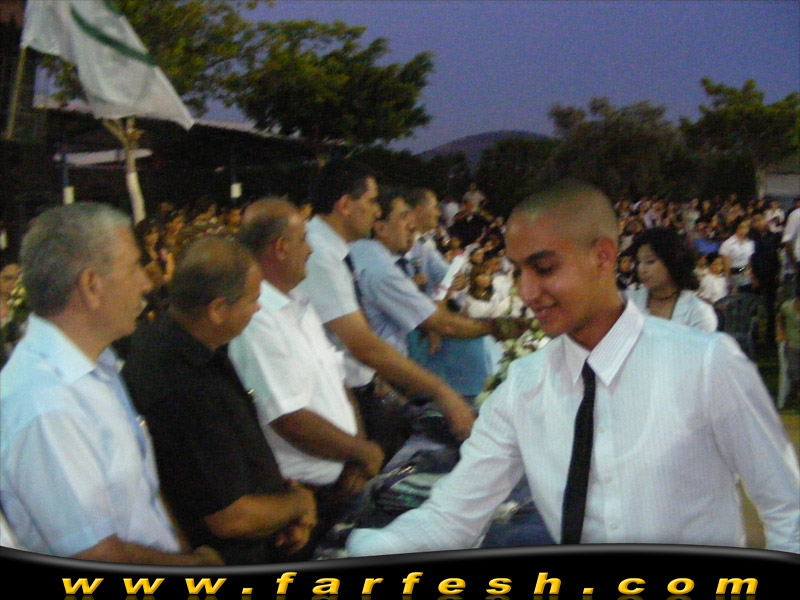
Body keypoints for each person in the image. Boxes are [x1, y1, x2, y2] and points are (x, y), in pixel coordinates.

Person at [346, 180, 800, 555]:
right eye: (517, 271)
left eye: (544, 268)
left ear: (603, 256)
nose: (526, 292)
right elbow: (451, 517)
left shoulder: (706, 364)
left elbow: (789, 511)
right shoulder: (523, 386)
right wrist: (367, 549)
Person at [0, 203, 222, 565]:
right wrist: (195, 566)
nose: (146, 283)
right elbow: (94, 554)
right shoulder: (45, 403)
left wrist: (183, 552)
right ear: (91, 285)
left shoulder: (96, 365)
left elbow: (143, 496)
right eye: (133, 267)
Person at [122, 236, 316, 565]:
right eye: (253, 300)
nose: (258, 309)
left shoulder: (198, 348)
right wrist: (300, 504)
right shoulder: (179, 381)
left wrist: (282, 509)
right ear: (217, 310)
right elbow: (229, 518)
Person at [229, 199, 383, 553]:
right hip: (302, 504)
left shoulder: (299, 303)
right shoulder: (257, 319)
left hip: (342, 480)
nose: (310, 250)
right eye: (303, 241)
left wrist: (356, 452)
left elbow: (337, 382)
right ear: (281, 247)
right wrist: (361, 451)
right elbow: (290, 419)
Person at [296, 161, 475, 456]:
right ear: (345, 205)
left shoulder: (335, 251)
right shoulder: (319, 255)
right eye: (371, 202)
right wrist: (441, 392)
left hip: (354, 392)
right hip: (329, 402)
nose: (377, 211)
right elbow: (362, 345)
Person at [626, 228, 718, 333]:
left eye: (650, 262)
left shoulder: (698, 312)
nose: (641, 269)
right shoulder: (627, 302)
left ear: (671, 262)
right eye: (638, 262)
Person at [720, 218, 755, 291]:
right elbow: (726, 265)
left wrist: (751, 275)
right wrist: (729, 281)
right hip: (734, 272)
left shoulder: (750, 243)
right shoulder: (727, 244)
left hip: (745, 271)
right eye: (741, 227)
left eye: (746, 227)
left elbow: (750, 261)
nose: (744, 229)